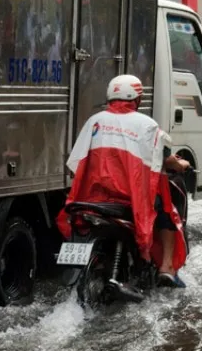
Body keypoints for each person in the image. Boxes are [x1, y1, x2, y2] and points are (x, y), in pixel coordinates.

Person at [56, 75, 190, 288]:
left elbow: (75, 163)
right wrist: (181, 165)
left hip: (92, 199)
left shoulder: (94, 121)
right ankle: (166, 268)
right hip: (130, 201)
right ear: (137, 99)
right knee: (167, 210)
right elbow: (164, 159)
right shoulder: (148, 126)